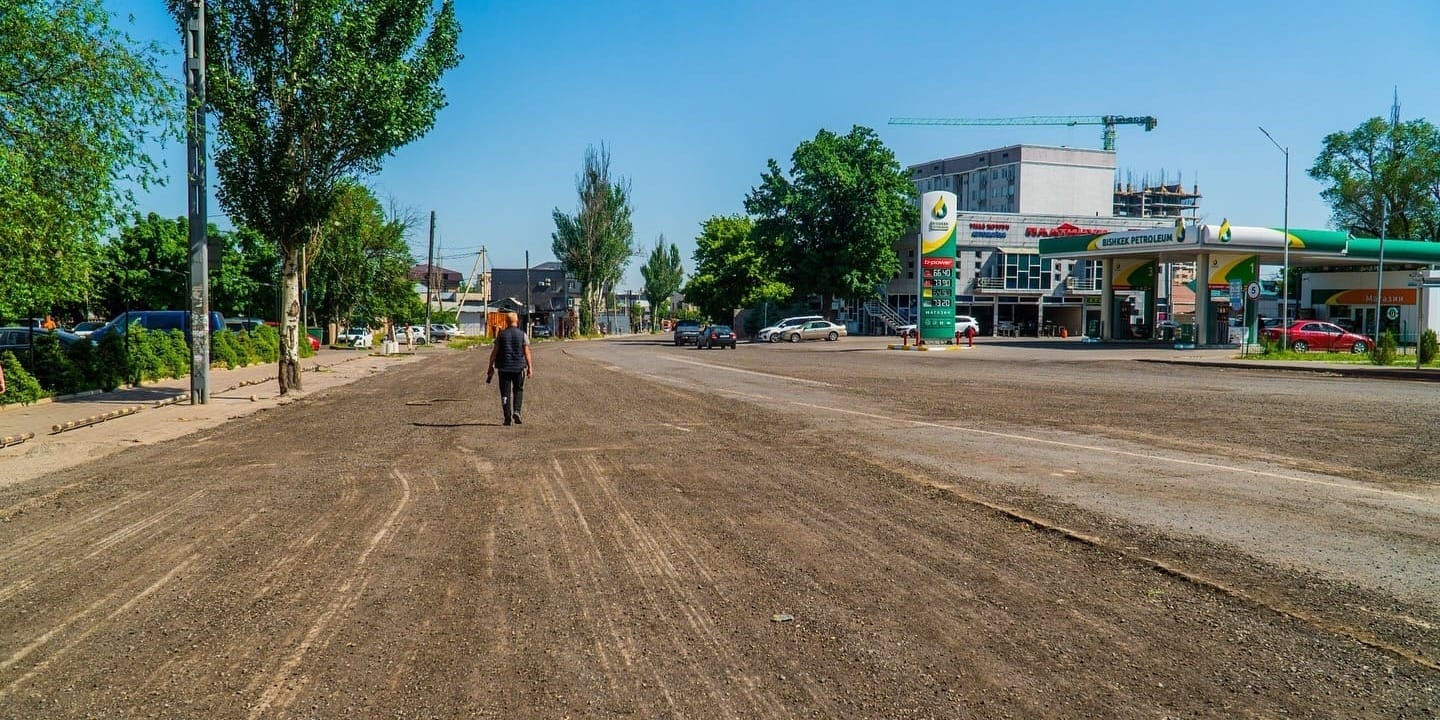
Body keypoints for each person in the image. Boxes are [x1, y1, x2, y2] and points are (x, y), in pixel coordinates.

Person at [486, 311, 533, 426]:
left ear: (506, 322)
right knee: (518, 390)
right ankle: (517, 411)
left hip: (504, 368)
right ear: (517, 321)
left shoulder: (501, 335)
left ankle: (507, 417)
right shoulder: (522, 335)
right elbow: (527, 352)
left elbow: (494, 352)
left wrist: (490, 366)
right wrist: (530, 367)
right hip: (518, 368)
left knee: (505, 393)